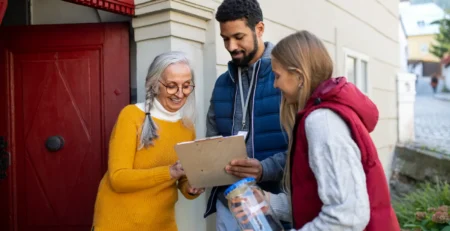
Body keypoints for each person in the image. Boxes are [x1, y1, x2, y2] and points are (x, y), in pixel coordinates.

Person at [263, 31, 400, 230]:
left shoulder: (322, 122)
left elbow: (348, 215)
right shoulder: (323, 115)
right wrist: (268, 201)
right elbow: (315, 199)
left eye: (277, 76)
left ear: (299, 75)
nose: (275, 85)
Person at [92, 51, 204, 231]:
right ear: (155, 84)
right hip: (118, 222)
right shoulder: (131, 116)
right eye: (171, 86)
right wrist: (169, 172)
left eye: (186, 85)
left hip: (161, 223)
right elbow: (118, 178)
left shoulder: (187, 127)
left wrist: (191, 188)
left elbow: (181, 179)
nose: (180, 93)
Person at [204, 0, 289, 230]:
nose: (231, 46)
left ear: (259, 29)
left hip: (274, 205)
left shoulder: (286, 77)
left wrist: (264, 169)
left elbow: (303, 148)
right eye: (225, 39)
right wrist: (201, 173)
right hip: (229, 206)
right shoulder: (222, 83)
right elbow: (212, 141)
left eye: (239, 37)